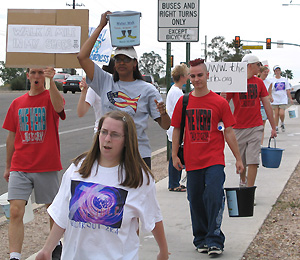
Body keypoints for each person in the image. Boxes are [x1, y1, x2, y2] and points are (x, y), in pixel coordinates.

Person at [35, 110, 169, 260]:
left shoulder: (139, 179)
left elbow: (154, 217)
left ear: (127, 140)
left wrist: (163, 250)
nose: (107, 139)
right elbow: (61, 215)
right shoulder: (78, 169)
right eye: (103, 132)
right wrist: (47, 249)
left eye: (115, 134)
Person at [77, 11, 170, 169]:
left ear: (134, 63)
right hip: (108, 155)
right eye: (118, 59)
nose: (120, 63)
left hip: (138, 156)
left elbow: (166, 125)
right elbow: (82, 57)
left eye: (125, 59)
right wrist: (100, 26)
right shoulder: (105, 81)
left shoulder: (148, 89)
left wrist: (163, 113)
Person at [171, 58, 244, 256]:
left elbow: (228, 131)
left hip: (214, 160)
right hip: (192, 161)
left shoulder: (219, 102)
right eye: (192, 76)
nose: (196, 79)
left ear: (208, 75)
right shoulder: (183, 101)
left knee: (213, 195)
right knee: (194, 199)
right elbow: (177, 129)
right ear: (189, 78)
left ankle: (215, 239)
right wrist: (174, 155)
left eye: (200, 75)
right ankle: (201, 238)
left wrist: (238, 158)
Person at [2, 67, 66, 260]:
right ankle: (14, 256)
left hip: (46, 165)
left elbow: (59, 108)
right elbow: (11, 137)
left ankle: (55, 247)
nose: (37, 76)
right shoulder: (17, 103)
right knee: (15, 210)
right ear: (28, 75)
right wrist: (8, 166)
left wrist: (51, 81)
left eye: (40, 72)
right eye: (33, 73)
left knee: (52, 210)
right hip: (20, 166)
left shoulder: (50, 97)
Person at [226, 54, 277, 188]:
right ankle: (243, 180)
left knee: (253, 160)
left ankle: (249, 190)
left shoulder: (259, 82)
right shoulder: (235, 81)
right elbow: (224, 103)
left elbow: (267, 105)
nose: (260, 67)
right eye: (258, 64)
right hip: (238, 127)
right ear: (250, 66)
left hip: (256, 126)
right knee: (241, 160)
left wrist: (273, 126)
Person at [166, 63, 189, 192]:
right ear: (182, 77)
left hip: (173, 127)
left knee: (175, 154)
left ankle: (174, 181)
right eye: (187, 75)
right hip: (175, 128)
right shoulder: (177, 93)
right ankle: (174, 183)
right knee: (176, 155)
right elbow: (179, 112)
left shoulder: (176, 91)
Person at [268, 65, 293, 133]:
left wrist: (290, 98)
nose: (277, 72)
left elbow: (287, 90)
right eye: (276, 71)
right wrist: (270, 96)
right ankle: (276, 127)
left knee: (281, 113)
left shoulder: (284, 80)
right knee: (276, 114)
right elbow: (269, 89)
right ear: (274, 72)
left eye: (278, 70)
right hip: (275, 99)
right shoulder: (272, 80)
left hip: (283, 99)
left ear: (280, 71)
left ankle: (282, 123)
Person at [257, 66, 272, 145]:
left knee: (261, 125)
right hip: (255, 106)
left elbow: (269, 94)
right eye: (264, 72)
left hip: (263, 106)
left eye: (267, 72)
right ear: (260, 72)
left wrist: (266, 98)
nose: (266, 74)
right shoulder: (257, 81)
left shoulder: (269, 82)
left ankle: (261, 143)